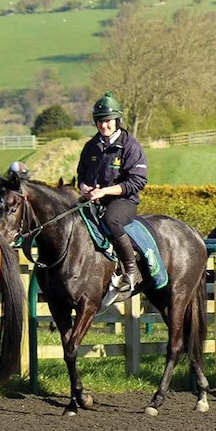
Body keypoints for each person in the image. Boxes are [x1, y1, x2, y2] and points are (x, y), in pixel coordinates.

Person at [76, 91, 148, 300]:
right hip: (93, 199)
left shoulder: (130, 146)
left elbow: (137, 181)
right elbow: (81, 174)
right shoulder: (91, 146)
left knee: (111, 219)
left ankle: (131, 269)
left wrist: (105, 191)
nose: (103, 125)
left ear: (117, 121)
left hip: (123, 201)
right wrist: (83, 187)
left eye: (107, 121)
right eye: (99, 121)